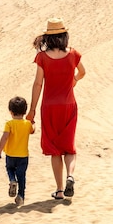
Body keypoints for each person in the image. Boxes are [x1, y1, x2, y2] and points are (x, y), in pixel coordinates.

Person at [26, 18, 86, 200]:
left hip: (49, 107)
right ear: (64, 36)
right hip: (69, 105)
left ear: (48, 37)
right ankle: (70, 176)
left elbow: (38, 84)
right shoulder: (73, 54)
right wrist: (73, 81)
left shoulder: (42, 58)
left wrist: (32, 110)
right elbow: (83, 72)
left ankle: (59, 190)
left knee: (55, 149)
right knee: (69, 147)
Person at [0, 96, 35, 206]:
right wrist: (32, 122)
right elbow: (32, 131)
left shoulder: (9, 124)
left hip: (10, 154)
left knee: (10, 168)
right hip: (23, 156)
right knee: (22, 176)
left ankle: (12, 180)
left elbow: (4, 137)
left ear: (11, 112)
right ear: (24, 111)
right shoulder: (27, 124)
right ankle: (21, 196)